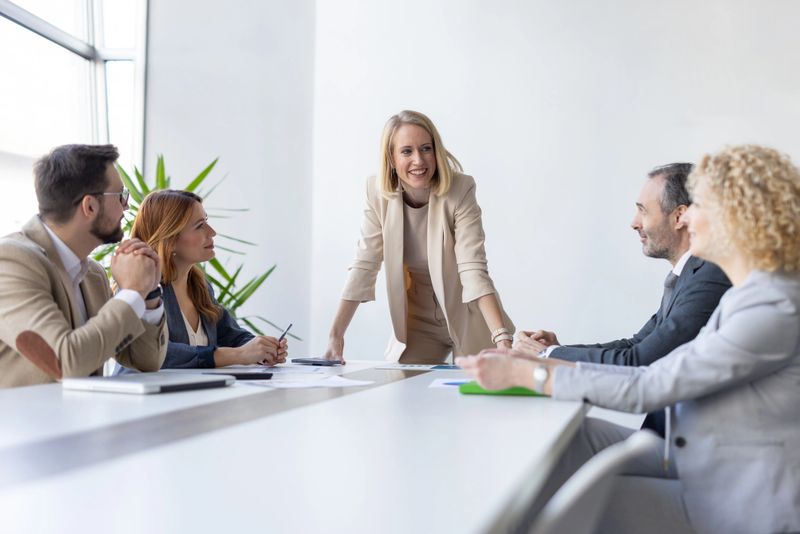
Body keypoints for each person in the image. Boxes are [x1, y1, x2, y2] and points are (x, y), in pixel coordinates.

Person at [458, 144, 800, 533]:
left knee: (585, 508)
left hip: (738, 503)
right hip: (699, 461)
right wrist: (542, 361)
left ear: (734, 218)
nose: (689, 218)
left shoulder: (772, 306)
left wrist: (531, 374)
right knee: (578, 447)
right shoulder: (749, 294)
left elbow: (653, 383)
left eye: (698, 207)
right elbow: (649, 361)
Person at [514, 163, 731, 435]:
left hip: (683, 442)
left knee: (567, 438)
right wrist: (558, 350)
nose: (634, 222)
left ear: (679, 217)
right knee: (573, 436)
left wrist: (547, 355)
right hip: (664, 435)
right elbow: (635, 344)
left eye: (643, 210)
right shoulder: (689, 274)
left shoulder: (710, 275)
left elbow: (641, 360)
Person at [324, 110, 514, 364]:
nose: (418, 160)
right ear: (391, 158)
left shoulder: (460, 190)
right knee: (401, 389)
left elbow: (473, 268)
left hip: (469, 316)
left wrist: (501, 338)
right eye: (406, 151)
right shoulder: (377, 192)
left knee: (480, 392)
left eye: (426, 148)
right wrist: (335, 336)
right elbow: (365, 264)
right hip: (418, 322)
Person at [0, 144, 167, 388]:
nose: (126, 206)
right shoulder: (11, 262)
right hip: (21, 425)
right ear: (90, 206)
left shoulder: (94, 275)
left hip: (80, 421)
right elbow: (63, 362)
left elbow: (146, 361)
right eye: (121, 196)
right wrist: (131, 293)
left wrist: (148, 292)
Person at [127, 189, 287, 368]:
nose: (212, 232)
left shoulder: (200, 287)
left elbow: (231, 335)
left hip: (191, 394)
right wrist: (239, 354)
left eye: (207, 222)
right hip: (144, 394)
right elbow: (157, 353)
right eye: (199, 226)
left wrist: (262, 349)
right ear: (169, 239)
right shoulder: (140, 290)